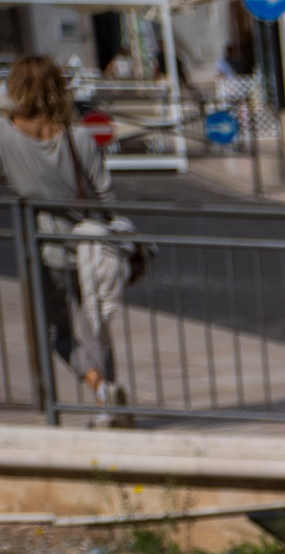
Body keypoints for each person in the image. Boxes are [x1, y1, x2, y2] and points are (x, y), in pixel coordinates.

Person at [0, 55, 131, 424]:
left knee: (56, 331)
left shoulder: (4, 135)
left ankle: (100, 389)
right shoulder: (79, 136)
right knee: (97, 331)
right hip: (92, 248)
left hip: (44, 249)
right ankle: (110, 405)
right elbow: (107, 197)